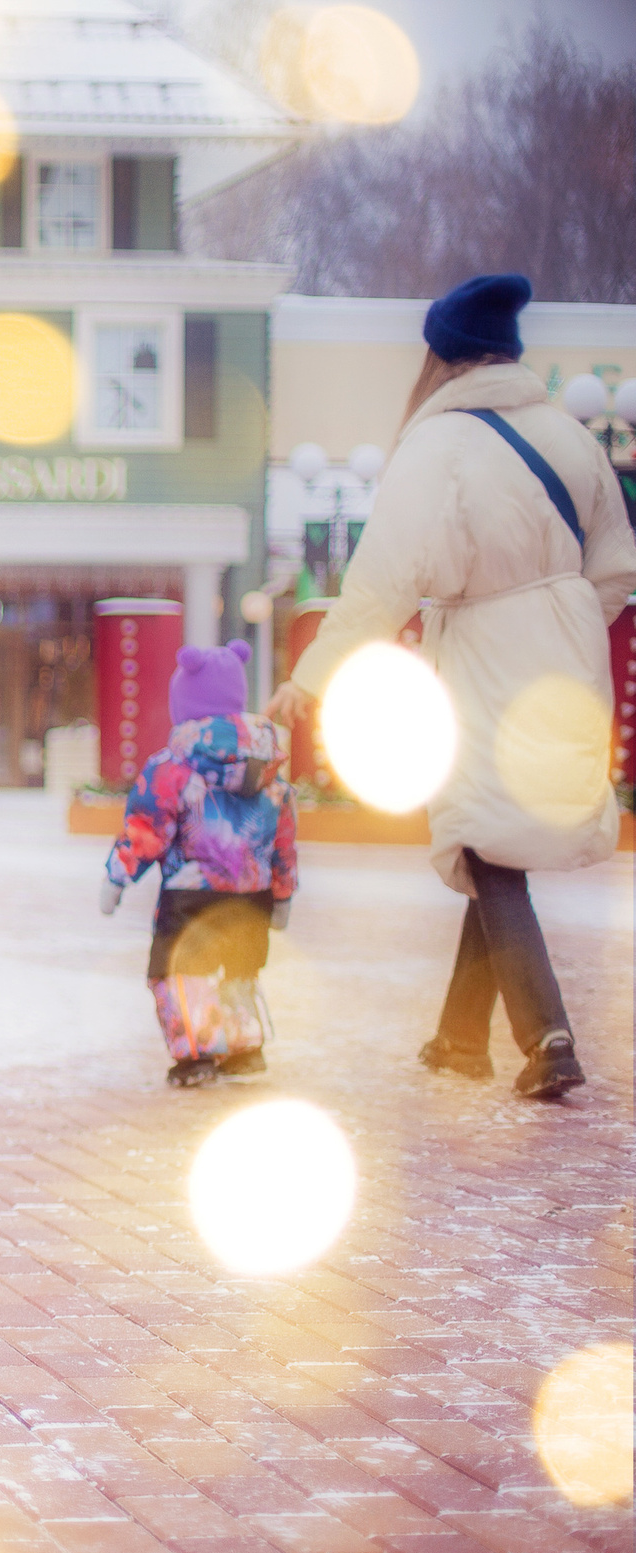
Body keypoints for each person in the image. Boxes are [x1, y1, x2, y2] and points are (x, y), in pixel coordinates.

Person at [269, 274, 635, 1102]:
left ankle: (548, 1036)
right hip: (570, 660)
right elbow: (617, 566)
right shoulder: (571, 438)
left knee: (479, 830)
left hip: (482, 655)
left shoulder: (436, 447)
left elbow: (380, 583)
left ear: (439, 357)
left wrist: (313, 676)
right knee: (496, 829)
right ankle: (460, 1038)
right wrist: (567, 620)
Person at [101, 640, 298, 1087]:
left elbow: (146, 829)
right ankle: (244, 1051)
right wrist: (283, 894)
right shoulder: (269, 770)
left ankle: (197, 1056)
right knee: (239, 969)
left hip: (190, 892)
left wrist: (117, 877)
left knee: (179, 974)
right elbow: (283, 839)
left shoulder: (172, 767)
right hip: (253, 894)